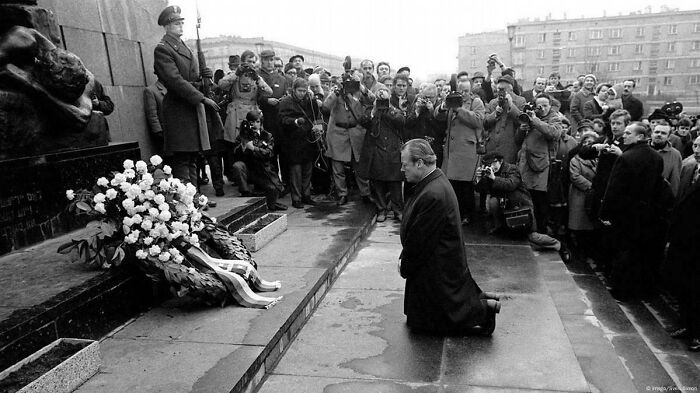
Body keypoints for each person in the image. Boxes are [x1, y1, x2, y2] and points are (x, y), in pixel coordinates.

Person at [399, 138, 500, 336]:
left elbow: (420, 242)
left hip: (437, 265)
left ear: (419, 163)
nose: (403, 170)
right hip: (437, 261)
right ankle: (481, 300)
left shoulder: (432, 193)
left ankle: (484, 310)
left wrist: (405, 265)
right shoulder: (434, 181)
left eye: (405, 165)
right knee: (420, 321)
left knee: (439, 321)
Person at [153, 5, 222, 187]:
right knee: (183, 158)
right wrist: (201, 97)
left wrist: (202, 75)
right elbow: (174, 80)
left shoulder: (182, 46)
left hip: (189, 107)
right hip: (179, 109)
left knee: (192, 156)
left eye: (181, 22)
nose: (181, 26)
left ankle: (195, 197)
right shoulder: (163, 49)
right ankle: (187, 202)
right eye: (176, 23)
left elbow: (188, 76)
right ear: (167, 26)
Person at [600, 122, 665, 300]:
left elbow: (614, 188)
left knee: (623, 251)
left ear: (640, 137)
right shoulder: (657, 157)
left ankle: (621, 289)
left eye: (629, 133)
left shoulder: (627, 157)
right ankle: (639, 289)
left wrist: (605, 213)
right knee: (640, 252)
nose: (625, 135)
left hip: (625, 213)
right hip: (646, 213)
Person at [435, 71, 485, 225]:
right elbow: (438, 116)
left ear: (470, 91)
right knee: (452, 185)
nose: (463, 94)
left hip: (466, 151)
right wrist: (444, 106)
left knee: (466, 187)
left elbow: (478, 121)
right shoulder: (452, 101)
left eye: (466, 91)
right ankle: (454, 214)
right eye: (461, 91)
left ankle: (467, 215)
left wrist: (458, 109)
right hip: (452, 150)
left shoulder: (476, 102)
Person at [666, 136, 700, 351]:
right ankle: (686, 325)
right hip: (684, 238)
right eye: (696, 145)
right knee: (684, 285)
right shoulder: (689, 168)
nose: (697, 149)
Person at [323, 72, 375, 206]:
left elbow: (373, 100)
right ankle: (342, 194)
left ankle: (365, 193)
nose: (349, 84)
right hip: (338, 133)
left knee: (360, 167)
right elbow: (325, 107)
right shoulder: (336, 92)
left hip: (356, 133)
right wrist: (336, 91)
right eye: (347, 81)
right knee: (338, 168)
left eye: (351, 81)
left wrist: (361, 87)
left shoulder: (360, 92)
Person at [517, 94, 563, 234]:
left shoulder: (554, 118)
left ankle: (541, 231)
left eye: (545, 105)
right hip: (525, 163)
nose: (541, 108)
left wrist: (535, 121)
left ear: (550, 106)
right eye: (539, 105)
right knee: (526, 198)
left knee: (540, 201)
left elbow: (554, 133)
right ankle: (528, 229)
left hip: (541, 166)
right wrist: (521, 129)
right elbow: (517, 141)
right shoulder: (529, 116)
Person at [278, 78, 323, 208]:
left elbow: (316, 116)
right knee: (296, 172)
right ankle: (296, 198)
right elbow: (282, 120)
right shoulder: (286, 102)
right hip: (293, 141)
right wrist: (295, 122)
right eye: (300, 91)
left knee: (308, 170)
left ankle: (306, 195)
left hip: (308, 140)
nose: (302, 93)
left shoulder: (310, 101)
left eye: (304, 91)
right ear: (294, 90)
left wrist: (319, 131)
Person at [230, 111, 286, 210]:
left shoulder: (267, 136)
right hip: (248, 168)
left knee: (274, 190)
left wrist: (254, 148)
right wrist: (243, 146)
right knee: (237, 166)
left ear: (261, 122)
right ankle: (245, 192)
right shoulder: (243, 135)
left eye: (257, 122)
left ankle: (270, 204)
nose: (255, 124)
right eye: (252, 122)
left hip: (262, 169)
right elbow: (234, 154)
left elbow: (268, 153)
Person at [567, 130, 599, 262]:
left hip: (595, 196)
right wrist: (592, 186)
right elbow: (575, 176)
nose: (587, 145)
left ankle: (588, 251)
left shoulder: (599, 158)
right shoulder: (576, 159)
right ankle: (579, 252)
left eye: (590, 143)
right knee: (580, 224)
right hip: (580, 195)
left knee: (591, 227)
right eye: (585, 142)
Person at [483, 74, 525, 164]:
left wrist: (511, 106)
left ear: (511, 89)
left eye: (503, 89)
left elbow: (522, 121)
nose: (499, 92)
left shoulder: (520, 101)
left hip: (510, 147)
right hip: (492, 147)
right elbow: (484, 123)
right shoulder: (492, 102)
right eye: (498, 89)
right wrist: (495, 114)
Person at [650, 121, 682, 196]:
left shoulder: (675, 155)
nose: (659, 135)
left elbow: (675, 181)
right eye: (657, 132)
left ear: (669, 137)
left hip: (660, 197)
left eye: (663, 133)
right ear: (652, 134)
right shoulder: (641, 149)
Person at [143, 79, 167, 156]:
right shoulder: (151, 90)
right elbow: (152, 113)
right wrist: (158, 131)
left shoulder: (175, 88)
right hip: (165, 134)